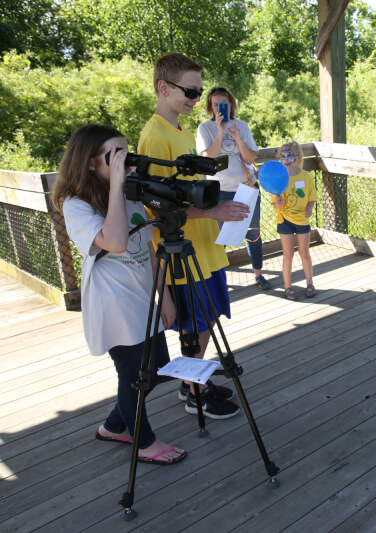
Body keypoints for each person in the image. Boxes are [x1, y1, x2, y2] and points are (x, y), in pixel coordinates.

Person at [52, 124, 186, 465]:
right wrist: (116, 187)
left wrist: (164, 295)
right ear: (89, 162)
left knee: (157, 368)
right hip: (113, 303)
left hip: (141, 297)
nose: (124, 162)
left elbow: (148, 247)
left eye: (125, 153)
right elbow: (115, 241)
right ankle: (144, 442)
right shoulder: (76, 204)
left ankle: (115, 425)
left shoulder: (129, 192)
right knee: (135, 377)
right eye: (114, 156)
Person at [139, 52, 244, 419]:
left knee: (209, 315)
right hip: (183, 251)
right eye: (190, 92)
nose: (197, 99)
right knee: (195, 324)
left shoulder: (180, 131)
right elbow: (156, 206)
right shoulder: (155, 136)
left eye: (199, 92)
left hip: (202, 247)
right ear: (163, 87)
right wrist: (213, 212)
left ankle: (193, 380)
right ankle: (194, 392)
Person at [196, 86, 272, 290]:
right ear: (210, 107)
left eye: (224, 103)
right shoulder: (205, 129)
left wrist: (238, 137)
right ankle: (219, 281)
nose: (220, 108)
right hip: (219, 191)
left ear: (231, 104)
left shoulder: (242, 126)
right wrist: (220, 131)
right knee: (220, 238)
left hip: (246, 188)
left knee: (253, 233)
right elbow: (208, 158)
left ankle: (259, 275)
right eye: (215, 105)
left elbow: (250, 157)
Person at [272, 141, 318, 300]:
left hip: (302, 221)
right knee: (288, 254)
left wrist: (309, 208)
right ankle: (288, 287)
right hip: (284, 220)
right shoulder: (279, 178)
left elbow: (312, 197)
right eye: (283, 156)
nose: (286, 159)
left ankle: (310, 283)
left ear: (298, 157)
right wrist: (278, 203)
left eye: (290, 155)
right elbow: (275, 205)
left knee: (304, 252)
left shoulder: (306, 177)